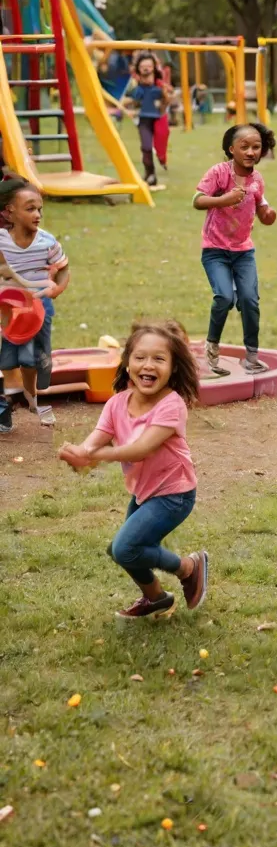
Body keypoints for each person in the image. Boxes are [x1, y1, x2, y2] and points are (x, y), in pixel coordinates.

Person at [58, 322, 209, 620]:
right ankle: (155, 599)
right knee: (121, 550)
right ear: (127, 364)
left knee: (126, 547)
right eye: (140, 357)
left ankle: (189, 568)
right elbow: (96, 439)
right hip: (144, 492)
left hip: (174, 493)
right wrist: (80, 454)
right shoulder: (116, 404)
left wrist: (93, 455)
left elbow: (142, 449)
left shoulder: (172, 405)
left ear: (174, 368)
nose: (148, 365)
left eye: (159, 359)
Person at [193, 123, 277, 376]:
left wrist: (268, 213)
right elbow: (197, 200)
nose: (251, 152)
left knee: (250, 300)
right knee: (225, 298)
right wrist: (223, 200)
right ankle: (212, 353)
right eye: (245, 147)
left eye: (256, 147)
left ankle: (251, 357)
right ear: (231, 150)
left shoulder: (257, 180)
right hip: (215, 250)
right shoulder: (219, 173)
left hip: (243, 252)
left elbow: (263, 206)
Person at [0, 178, 69, 430]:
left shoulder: (47, 241)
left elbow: (63, 269)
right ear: (9, 211)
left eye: (40, 209)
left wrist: (57, 288)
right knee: (8, 360)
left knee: (37, 360)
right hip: (9, 310)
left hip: (40, 308)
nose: (38, 214)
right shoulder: (1, 240)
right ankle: (15, 404)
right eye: (30, 209)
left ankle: (35, 397)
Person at [119, 51, 172, 186]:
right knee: (146, 147)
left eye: (148, 66)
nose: (146, 69)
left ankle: (161, 159)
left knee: (161, 142)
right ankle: (150, 174)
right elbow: (127, 100)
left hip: (158, 119)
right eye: (143, 67)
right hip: (144, 120)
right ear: (138, 69)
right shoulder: (137, 88)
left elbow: (168, 100)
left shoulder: (160, 86)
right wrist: (129, 110)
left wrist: (164, 103)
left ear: (154, 67)